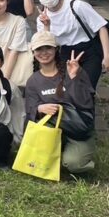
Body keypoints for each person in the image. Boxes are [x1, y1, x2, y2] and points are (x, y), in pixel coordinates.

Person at [24, 31, 97, 175]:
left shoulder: (73, 70)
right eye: (39, 49)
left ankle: (82, 155)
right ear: (33, 52)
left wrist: (74, 78)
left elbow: (86, 103)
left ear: (56, 49)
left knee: (73, 164)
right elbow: (29, 112)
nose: (44, 53)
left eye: (48, 48)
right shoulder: (33, 81)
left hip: (77, 129)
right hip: (52, 129)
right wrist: (39, 108)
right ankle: (56, 153)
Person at [36, 0, 109, 89]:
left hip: (88, 51)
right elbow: (46, 43)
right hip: (64, 54)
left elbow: (101, 27)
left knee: (87, 89)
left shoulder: (77, 6)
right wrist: (46, 25)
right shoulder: (42, 18)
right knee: (66, 89)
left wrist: (107, 56)